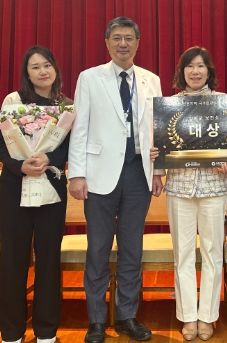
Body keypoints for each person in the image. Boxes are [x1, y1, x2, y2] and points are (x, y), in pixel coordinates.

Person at [68, 17, 163, 343]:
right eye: (117, 38)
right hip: (98, 175)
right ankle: (96, 320)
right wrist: (77, 174)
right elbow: (79, 129)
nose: (123, 43)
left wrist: (158, 170)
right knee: (98, 248)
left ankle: (126, 316)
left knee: (132, 248)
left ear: (138, 43)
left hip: (138, 172)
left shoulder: (151, 80)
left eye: (129, 38)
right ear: (107, 43)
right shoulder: (89, 77)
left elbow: (157, 129)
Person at [0, 46, 72, 343]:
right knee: (13, 261)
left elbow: (70, 146)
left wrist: (50, 159)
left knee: (49, 261)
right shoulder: (13, 101)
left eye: (47, 65)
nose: (43, 71)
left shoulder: (66, 105)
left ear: (55, 69)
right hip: (15, 189)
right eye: (35, 67)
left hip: (51, 189)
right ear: (27, 73)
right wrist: (19, 166)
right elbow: (0, 142)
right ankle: (11, 334)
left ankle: (46, 333)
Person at [160, 46, 227, 341]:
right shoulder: (169, 106)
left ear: (209, 71)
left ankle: (207, 316)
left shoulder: (226, 103)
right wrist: (157, 158)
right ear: (182, 71)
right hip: (179, 187)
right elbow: (161, 146)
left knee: (213, 253)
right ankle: (188, 316)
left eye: (201, 66)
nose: (195, 71)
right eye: (189, 66)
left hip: (214, 187)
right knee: (183, 254)